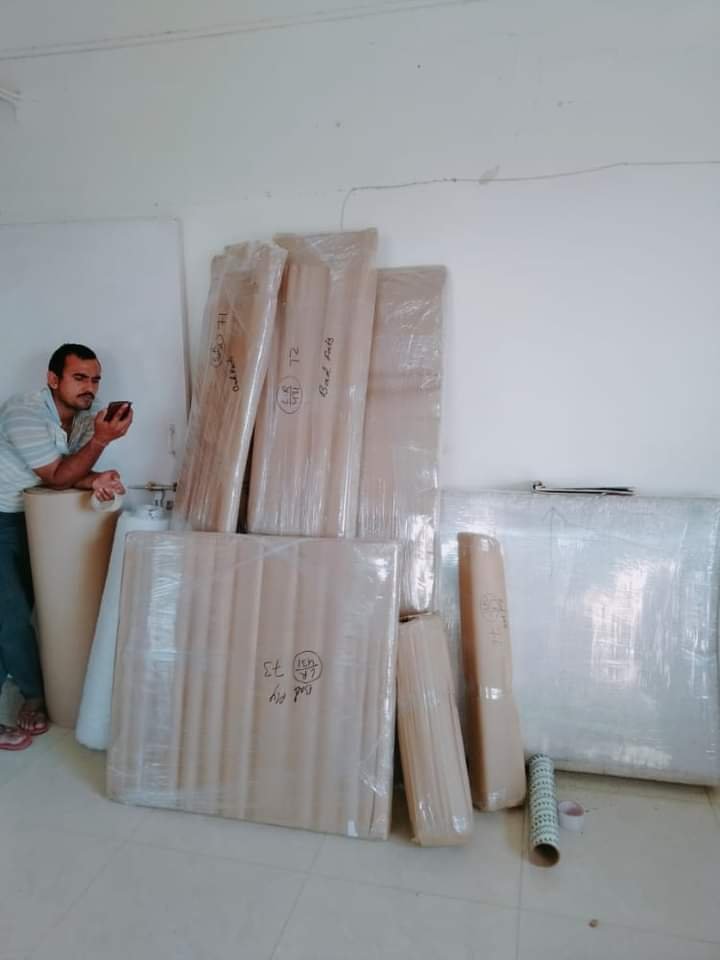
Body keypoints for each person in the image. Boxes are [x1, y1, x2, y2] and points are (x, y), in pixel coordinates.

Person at [0, 343, 133, 750]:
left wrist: (95, 478)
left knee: (19, 611)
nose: (89, 387)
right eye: (79, 377)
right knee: (11, 617)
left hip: (32, 516)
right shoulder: (23, 412)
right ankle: (34, 697)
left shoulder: (84, 418)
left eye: (95, 379)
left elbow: (66, 472)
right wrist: (101, 443)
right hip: (2, 515)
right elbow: (57, 476)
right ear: (53, 379)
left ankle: (29, 693)